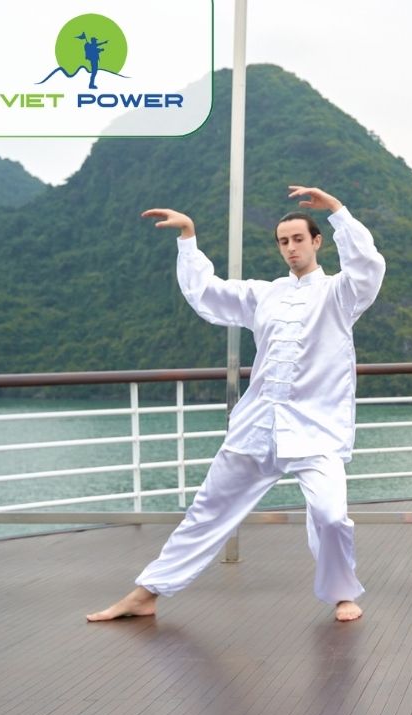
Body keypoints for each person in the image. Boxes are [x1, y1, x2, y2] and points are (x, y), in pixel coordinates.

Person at [87, 186, 386, 624]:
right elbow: (206, 294)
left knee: (330, 514)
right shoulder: (263, 294)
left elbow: (368, 267)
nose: (290, 248)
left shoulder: (341, 294)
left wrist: (338, 211)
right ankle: (147, 592)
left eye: (298, 239)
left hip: (314, 428)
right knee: (208, 510)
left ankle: (343, 594)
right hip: (257, 426)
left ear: (316, 241)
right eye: (283, 241)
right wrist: (187, 236)